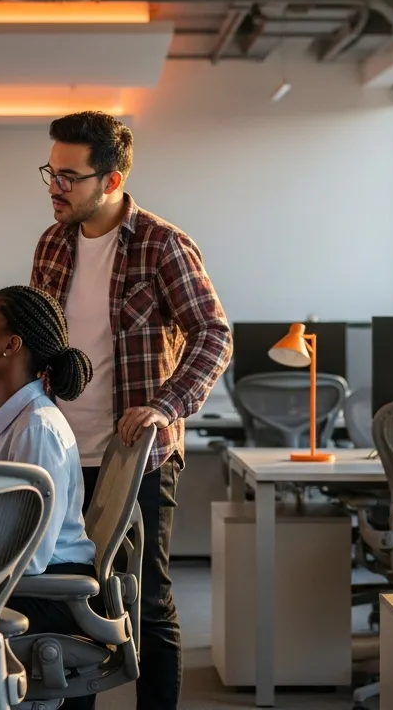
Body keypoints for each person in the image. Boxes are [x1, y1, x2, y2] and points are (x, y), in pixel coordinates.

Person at [30, 111, 232, 708]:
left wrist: (166, 407)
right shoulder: (51, 243)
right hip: (62, 452)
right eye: (51, 171)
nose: (54, 187)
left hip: (134, 457)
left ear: (110, 180)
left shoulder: (161, 244)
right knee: (69, 599)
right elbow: (45, 342)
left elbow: (213, 335)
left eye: (69, 176)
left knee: (147, 598)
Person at [0, 286, 99, 705]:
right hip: (25, 584)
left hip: (46, 594)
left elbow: (32, 557)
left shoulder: (37, 427)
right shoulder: (6, 423)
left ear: (10, 345)